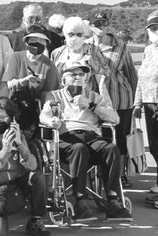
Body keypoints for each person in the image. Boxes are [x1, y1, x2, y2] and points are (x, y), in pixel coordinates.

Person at [40, 61, 132, 222]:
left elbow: (115, 119)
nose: (78, 78)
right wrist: (51, 121)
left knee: (111, 148)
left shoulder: (94, 97)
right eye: (73, 74)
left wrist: (91, 105)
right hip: (66, 137)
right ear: (64, 79)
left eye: (81, 74)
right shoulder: (55, 96)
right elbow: (44, 115)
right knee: (79, 148)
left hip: (92, 136)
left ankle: (113, 200)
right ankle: (80, 201)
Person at [0, 98, 52, 236]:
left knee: (37, 176)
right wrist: (5, 150)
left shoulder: (16, 134)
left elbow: (33, 166)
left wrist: (20, 145)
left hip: (12, 186)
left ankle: (35, 220)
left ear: (11, 119)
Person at [88, 12, 139, 189]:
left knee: (121, 136)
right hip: (98, 99)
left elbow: (131, 73)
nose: (101, 27)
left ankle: (121, 173)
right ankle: (102, 172)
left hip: (121, 98)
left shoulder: (121, 45)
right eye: (97, 24)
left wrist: (136, 100)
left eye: (104, 23)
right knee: (102, 136)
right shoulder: (87, 46)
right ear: (90, 26)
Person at [133, 11, 158, 210]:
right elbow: (142, 79)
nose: (155, 31)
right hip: (149, 104)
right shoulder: (148, 50)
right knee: (157, 148)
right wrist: (137, 104)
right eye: (152, 28)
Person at [1, 24, 61, 134]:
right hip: (14, 105)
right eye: (33, 40)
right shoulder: (16, 57)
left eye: (41, 41)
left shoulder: (49, 66)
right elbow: (9, 84)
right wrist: (23, 81)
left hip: (35, 110)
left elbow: (49, 95)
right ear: (26, 42)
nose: (37, 43)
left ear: (46, 44)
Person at [50, 17, 111, 102]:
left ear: (84, 34)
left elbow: (107, 73)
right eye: (71, 34)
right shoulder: (57, 53)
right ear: (65, 34)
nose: (75, 38)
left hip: (88, 99)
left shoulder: (93, 50)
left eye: (79, 34)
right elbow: (51, 78)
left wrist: (94, 65)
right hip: (64, 100)